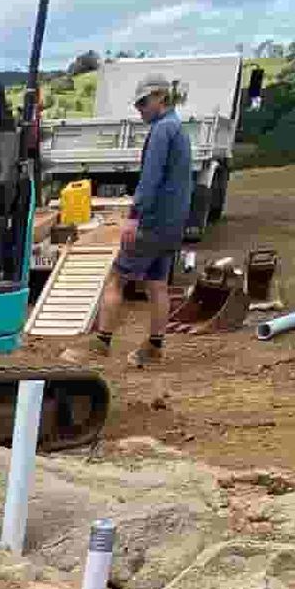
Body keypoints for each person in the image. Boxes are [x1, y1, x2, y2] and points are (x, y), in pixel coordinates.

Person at [92, 73, 192, 368]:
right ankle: (155, 347)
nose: (139, 109)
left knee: (116, 280)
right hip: (171, 226)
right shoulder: (179, 129)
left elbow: (150, 179)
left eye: (143, 102)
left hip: (151, 222)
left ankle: (100, 342)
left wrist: (134, 217)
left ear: (161, 97)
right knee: (157, 284)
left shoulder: (163, 131)